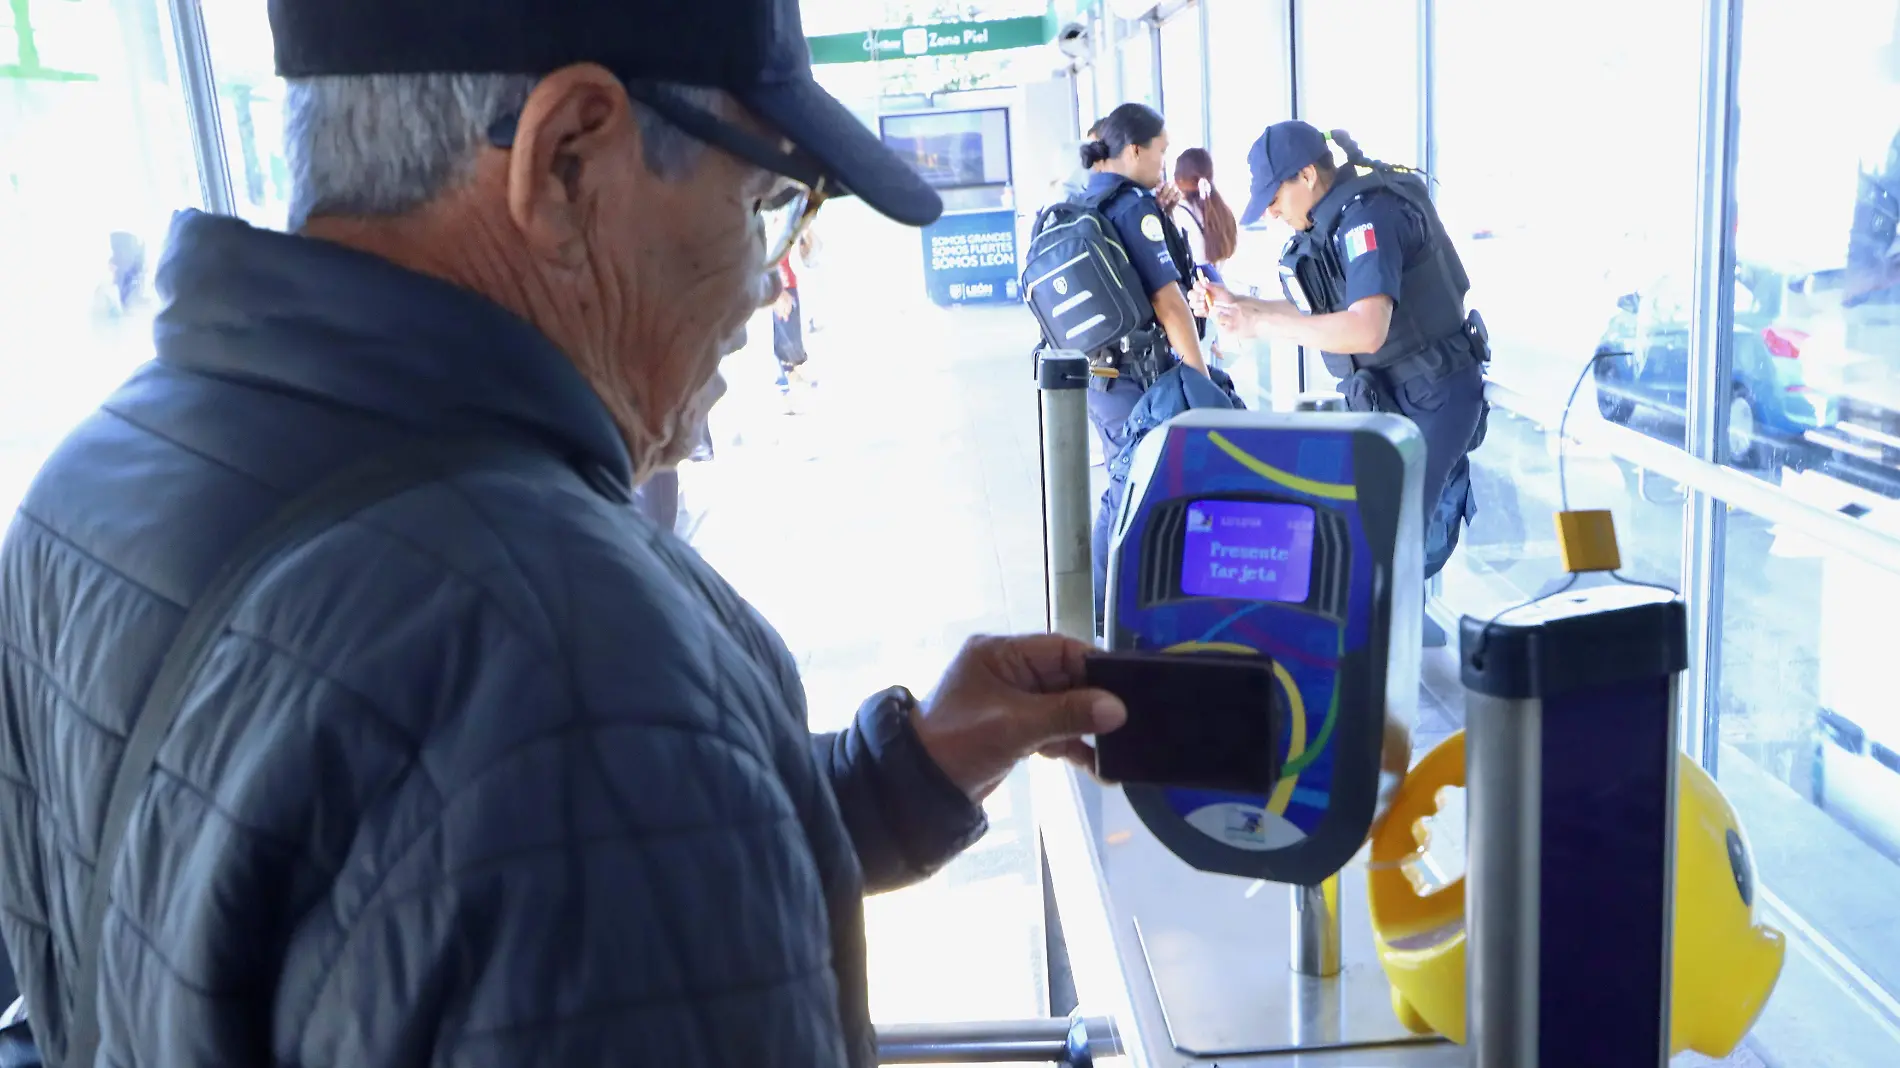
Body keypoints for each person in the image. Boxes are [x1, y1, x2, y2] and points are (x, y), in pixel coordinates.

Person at [0, 2, 1129, 1065]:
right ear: (567, 160)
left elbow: (408, 903)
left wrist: (897, 777)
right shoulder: (567, 656)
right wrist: (691, 761)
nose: (767, 280)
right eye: (762, 203)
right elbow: (560, 796)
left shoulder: (91, 493)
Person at [1203, 122, 1488, 617]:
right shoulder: (1333, 223)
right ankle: (1381, 656)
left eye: (1274, 196)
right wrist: (1241, 306)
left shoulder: (1368, 219)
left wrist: (1263, 324)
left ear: (1307, 175)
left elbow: (1365, 329)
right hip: (1394, 398)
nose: (1270, 211)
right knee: (1370, 539)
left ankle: (1387, 673)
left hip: (1433, 395)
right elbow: (1319, 314)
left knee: (1391, 548)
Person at [1074, 103, 1211, 473]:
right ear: (1135, 149)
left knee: (1125, 484)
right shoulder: (1133, 206)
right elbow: (1168, 302)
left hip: (1100, 377)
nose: (1164, 162)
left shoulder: (1086, 201)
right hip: (1132, 377)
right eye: (1161, 150)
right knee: (1137, 489)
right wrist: (1201, 383)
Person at [1168, 147, 1239, 362]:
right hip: (1215, 293)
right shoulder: (1218, 210)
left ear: (1179, 177)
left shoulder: (1178, 211)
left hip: (1194, 299)